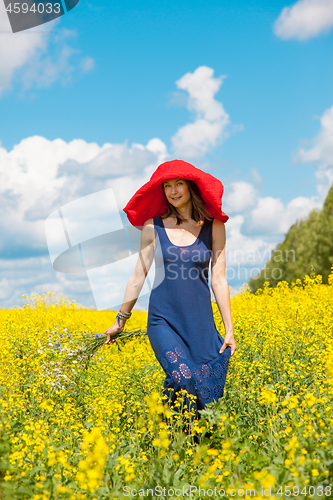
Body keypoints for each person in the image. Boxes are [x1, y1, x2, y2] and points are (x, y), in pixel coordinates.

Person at [104, 159, 237, 422]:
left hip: (199, 322)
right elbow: (138, 275)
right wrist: (120, 320)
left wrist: (229, 328)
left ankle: (185, 445)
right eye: (167, 186)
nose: (173, 191)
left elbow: (219, 279)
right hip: (163, 320)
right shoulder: (153, 227)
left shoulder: (214, 226)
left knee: (202, 395)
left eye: (178, 184)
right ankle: (171, 438)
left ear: (190, 187)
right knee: (183, 377)